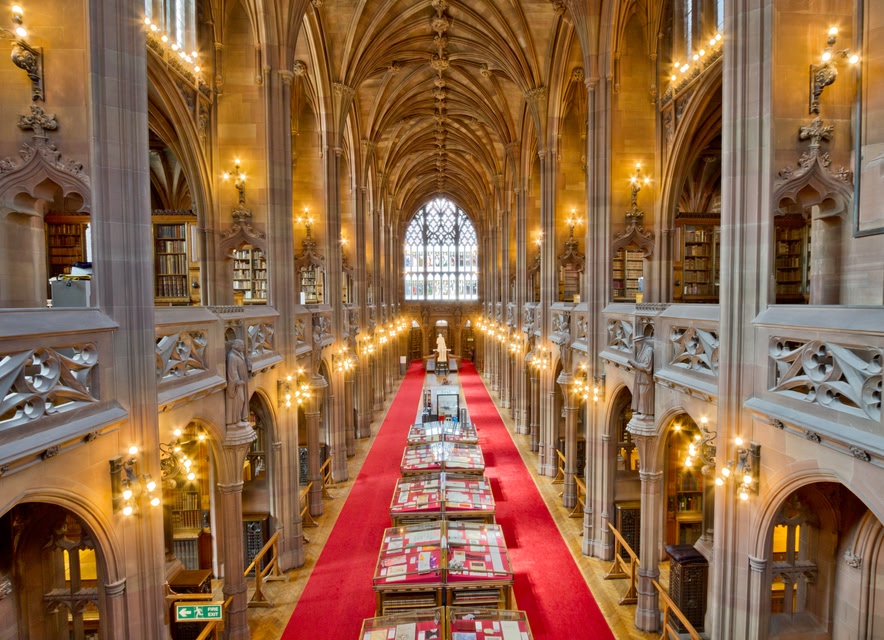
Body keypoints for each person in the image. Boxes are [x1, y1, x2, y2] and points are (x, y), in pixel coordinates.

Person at [628, 335, 655, 416]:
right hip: (640, 377)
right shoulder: (640, 351)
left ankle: (646, 412)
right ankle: (640, 410)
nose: (636, 346)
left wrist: (634, 363)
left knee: (644, 394)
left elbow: (647, 367)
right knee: (639, 394)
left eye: (637, 343)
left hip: (646, 379)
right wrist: (634, 364)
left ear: (640, 342)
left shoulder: (648, 351)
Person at [226, 339, 250, 425]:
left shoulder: (240, 354)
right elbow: (232, 371)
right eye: (242, 345)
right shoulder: (232, 356)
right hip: (237, 384)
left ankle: (241, 417)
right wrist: (237, 382)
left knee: (243, 399)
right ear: (236, 346)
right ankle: (236, 420)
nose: (243, 347)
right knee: (240, 399)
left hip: (242, 382)